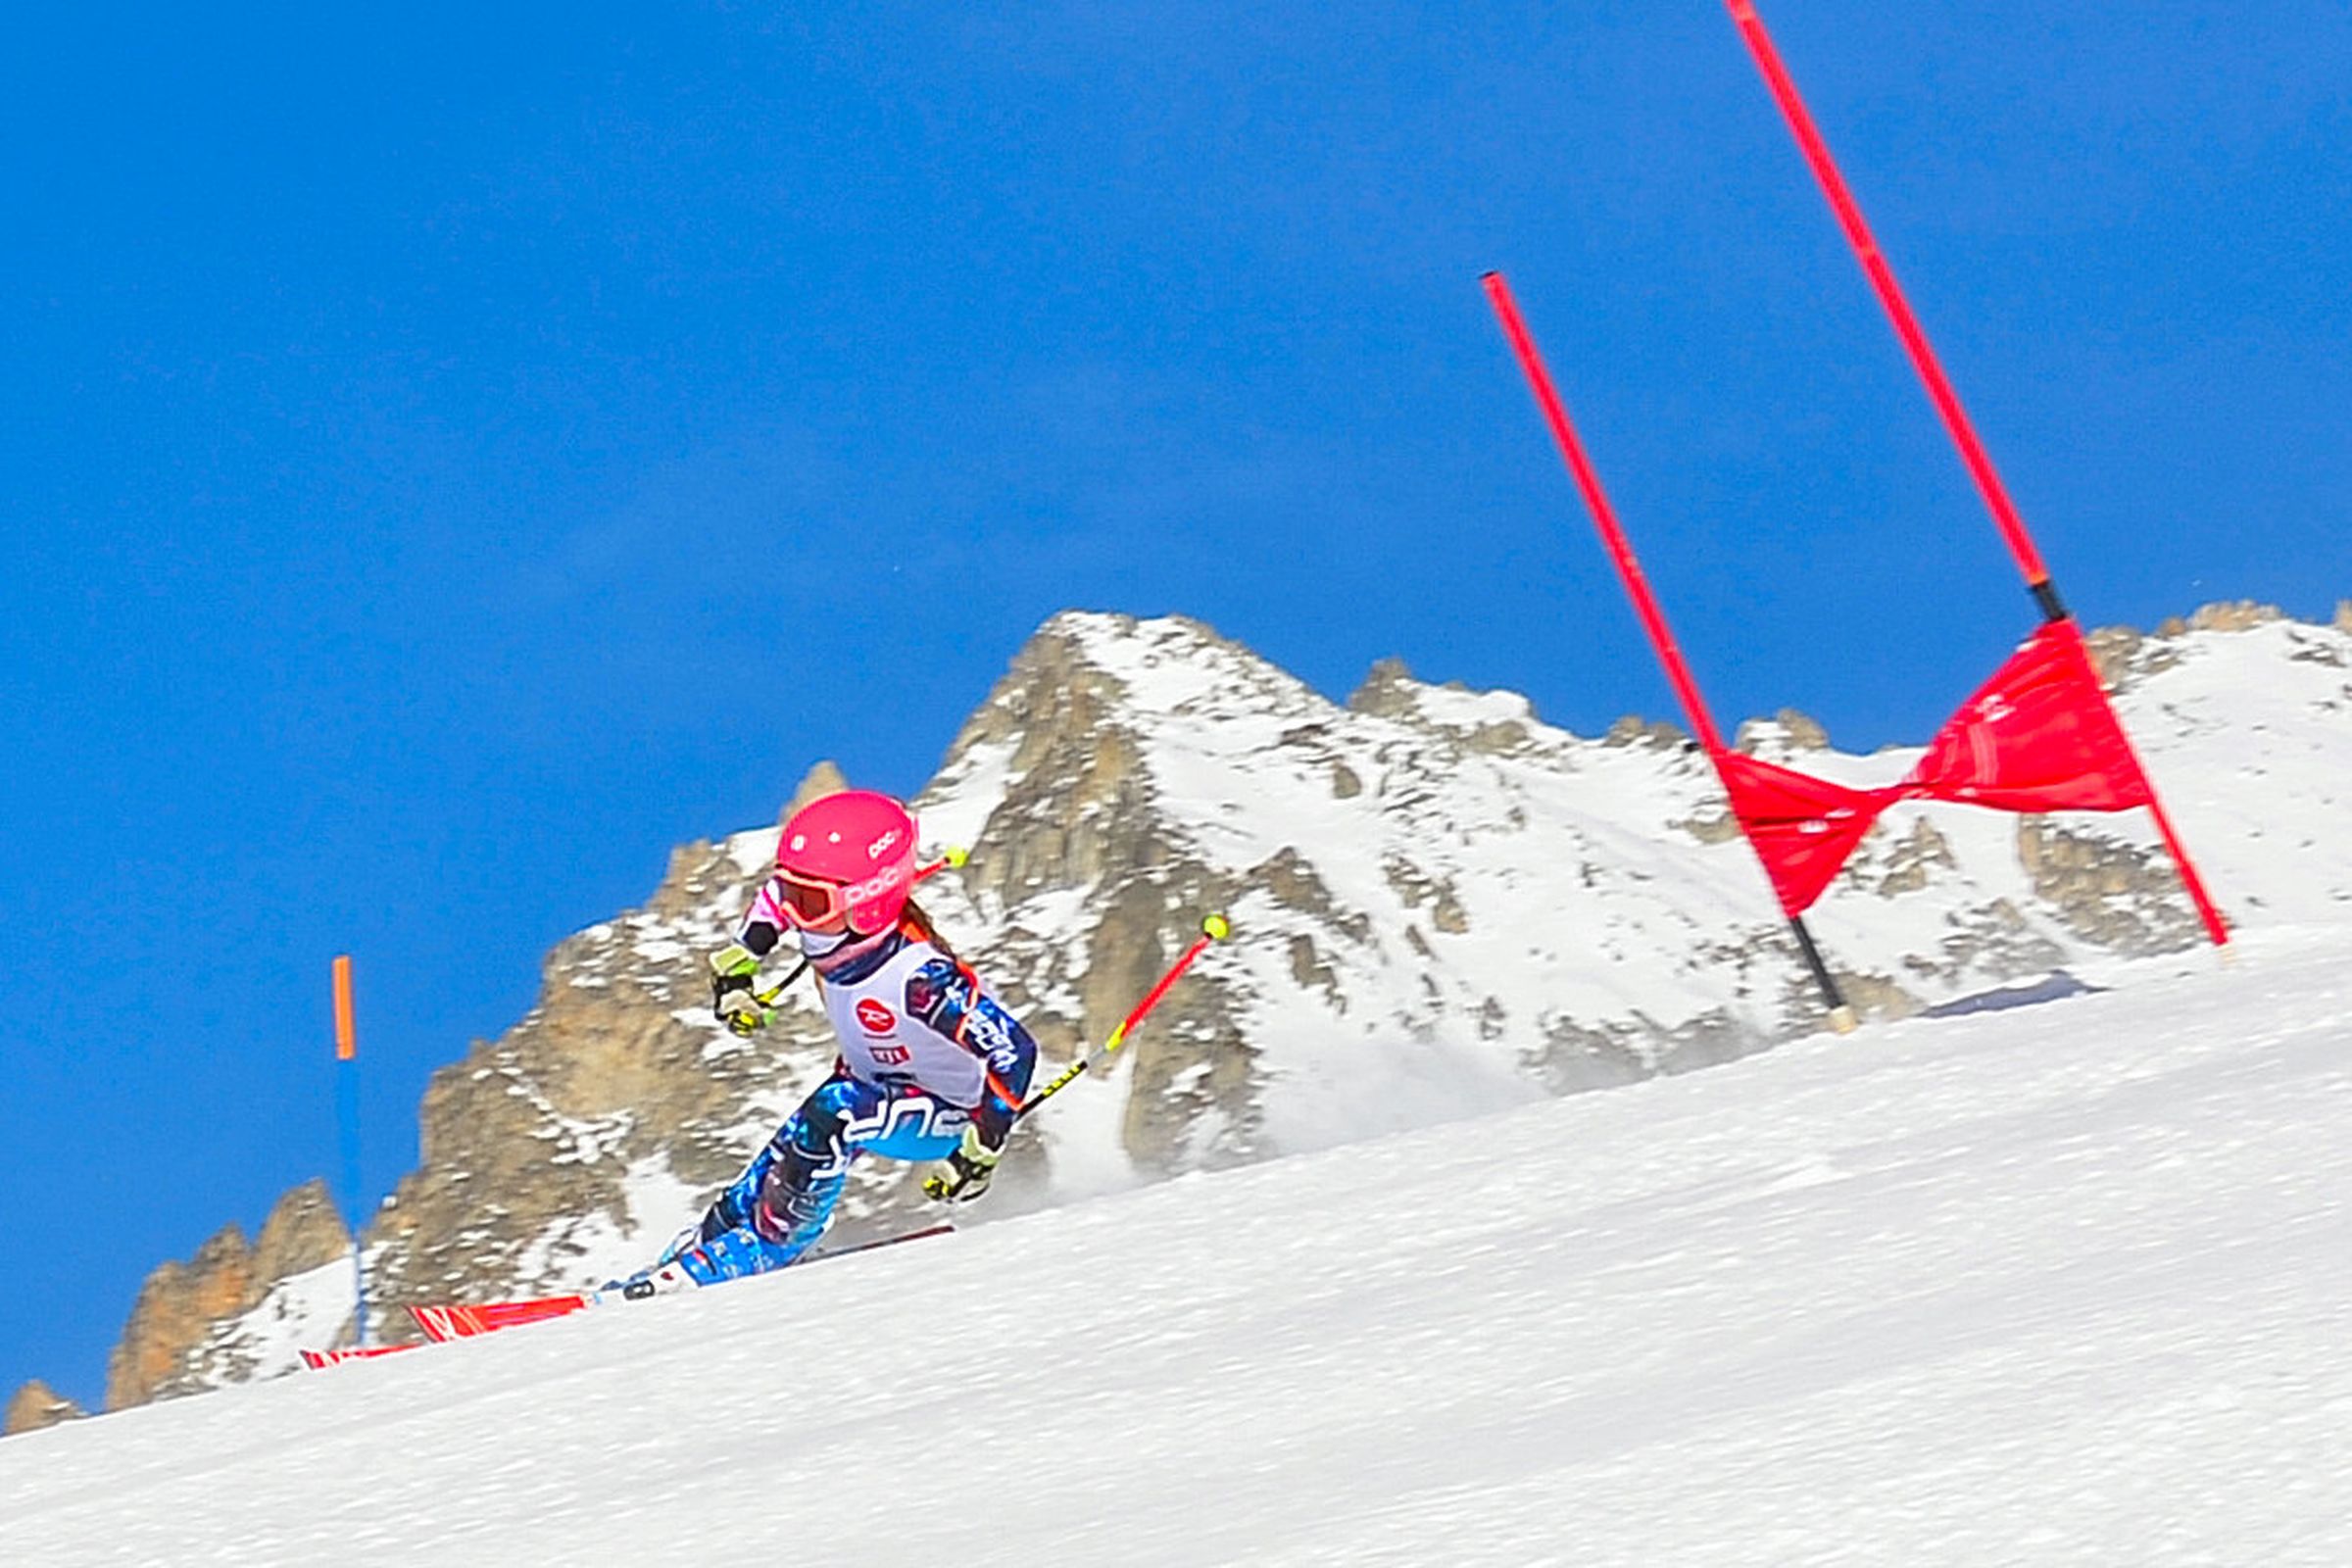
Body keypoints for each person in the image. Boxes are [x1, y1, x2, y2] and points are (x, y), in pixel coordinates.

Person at [616, 789, 1037, 1297]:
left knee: (835, 1112)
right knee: (789, 1148)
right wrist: (737, 971)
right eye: (793, 893)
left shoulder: (919, 978)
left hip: (947, 1114)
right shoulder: (831, 927)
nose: (796, 913)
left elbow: (1013, 1050)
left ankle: (774, 1243)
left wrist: (982, 1147)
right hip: (873, 1085)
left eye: (810, 903)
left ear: (869, 903)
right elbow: (773, 904)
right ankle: (709, 1241)